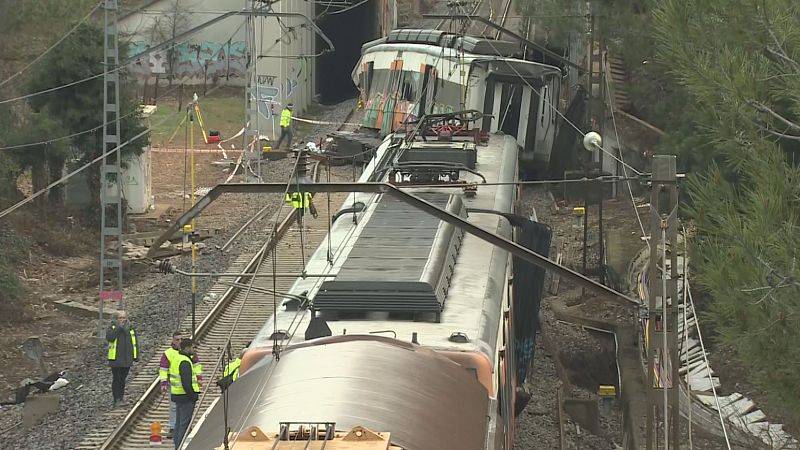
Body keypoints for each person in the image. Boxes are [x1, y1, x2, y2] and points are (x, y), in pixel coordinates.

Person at [159, 332, 203, 439]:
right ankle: (174, 427)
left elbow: (197, 365)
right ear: (173, 341)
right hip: (175, 385)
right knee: (174, 407)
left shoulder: (189, 351)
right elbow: (163, 369)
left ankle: (184, 428)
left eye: (181, 339)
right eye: (177, 340)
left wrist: (199, 377)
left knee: (182, 410)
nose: (179, 341)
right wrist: (163, 382)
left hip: (186, 384)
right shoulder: (168, 353)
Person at [170, 338, 199, 449]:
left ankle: (177, 445)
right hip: (185, 397)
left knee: (178, 423)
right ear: (187, 348)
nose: (194, 349)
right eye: (193, 347)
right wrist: (193, 396)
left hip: (177, 395)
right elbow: (186, 383)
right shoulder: (185, 362)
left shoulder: (177, 358)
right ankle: (181, 447)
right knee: (184, 424)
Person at [106, 311, 138, 407]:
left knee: (123, 379)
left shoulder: (130, 328)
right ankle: (116, 399)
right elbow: (110, 338)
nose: (122, 320)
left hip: (127, 358)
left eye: (123, 317)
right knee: (117, 379)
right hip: (115, 359)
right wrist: (118, 328)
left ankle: (121, 398)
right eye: (120, 318)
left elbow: (135, 342)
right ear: (116, 318)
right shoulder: (112, 327)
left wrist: (136, 356)